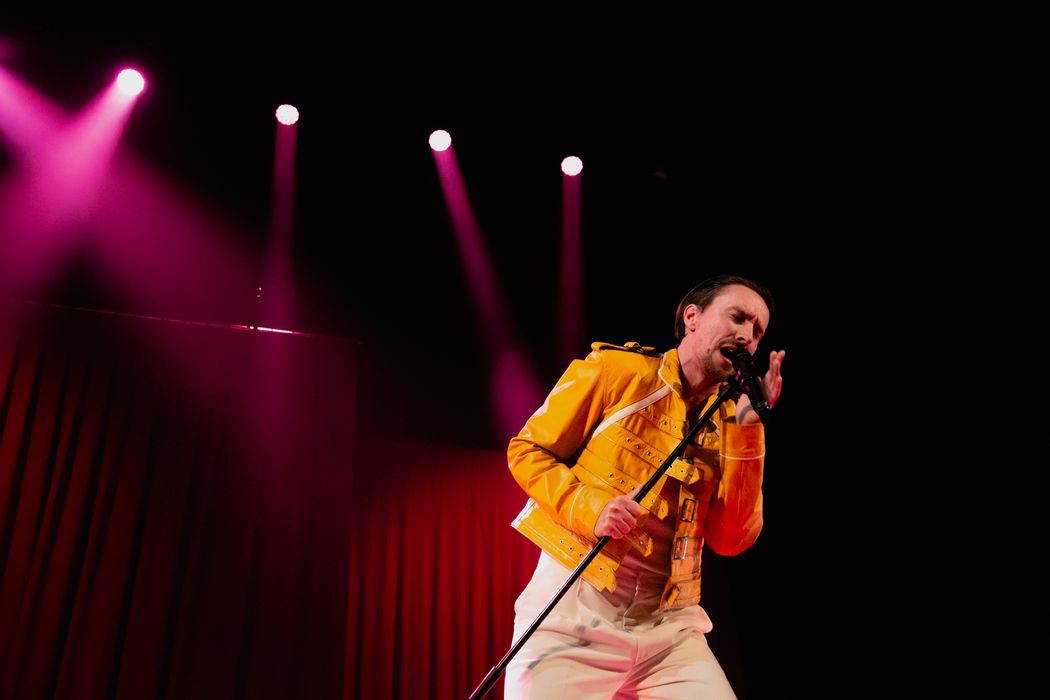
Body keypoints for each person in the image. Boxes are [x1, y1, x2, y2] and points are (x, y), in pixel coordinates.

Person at [504, 275, 785, 699]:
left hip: (669, 632)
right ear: (692, 317)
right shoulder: (618, 371)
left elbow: (731, 540)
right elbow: (528, 449)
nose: (747, 335)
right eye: (738, 317)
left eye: (758, 331)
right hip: (573, 616)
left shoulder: (731, 425)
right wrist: (592, 507)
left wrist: (749, 431)